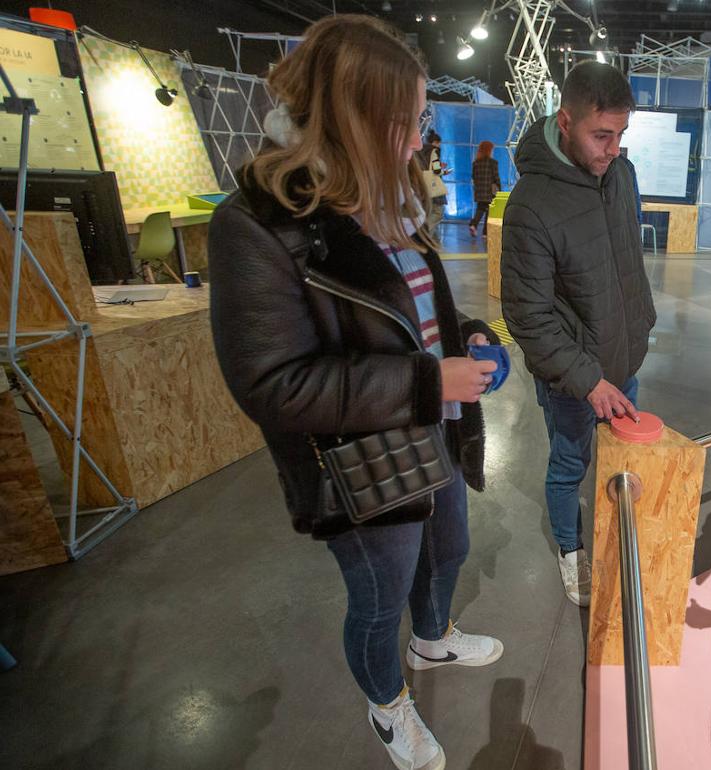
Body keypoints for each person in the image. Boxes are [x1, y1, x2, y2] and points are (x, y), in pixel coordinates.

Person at [207, 16, 503, 770]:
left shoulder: (389, 195)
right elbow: (273, 385)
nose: (416, 140)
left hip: (429, 423)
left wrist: (466, 334)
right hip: (356, 463)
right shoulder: (258, 223)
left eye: (420, 119)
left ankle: (432, 642)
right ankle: (387, 704)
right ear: (354, 118)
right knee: (379, 599)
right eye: (406, 121)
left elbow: (409, 311)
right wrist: (429, 380)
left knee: (451, 549)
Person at [500, 62, 655, 606]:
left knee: (620, 460)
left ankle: (612, 536)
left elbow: (626, 263)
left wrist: (640, 328)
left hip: (624, 356)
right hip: (574, 376)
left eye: (620, 135)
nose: (612, 148)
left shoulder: (621, 175)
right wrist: (588, 380)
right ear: (565, 121)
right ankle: (571, 552)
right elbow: (528, 316)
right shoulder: (531, 205)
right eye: (601, 135)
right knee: (570, 466)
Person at [417, 129, 450, 233]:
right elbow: (436, 170)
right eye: (439, 143)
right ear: (436, 142)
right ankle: (424, 230)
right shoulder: (434, 150)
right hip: (433, 185)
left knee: (426, 211)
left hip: (421, 184)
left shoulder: (420, 150)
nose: (440, 145)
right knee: (438, 212)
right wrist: (444, 172)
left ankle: (426, 235)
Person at [468, 140, 501, 238]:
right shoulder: (493, 163)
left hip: (479, 190)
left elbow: (473, 176)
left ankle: (474, 225)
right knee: (489, 211)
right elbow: (496, 177)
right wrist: (499, 189)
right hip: (490, 191)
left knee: (481, 208)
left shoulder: (475, 163)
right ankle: (485, 232)